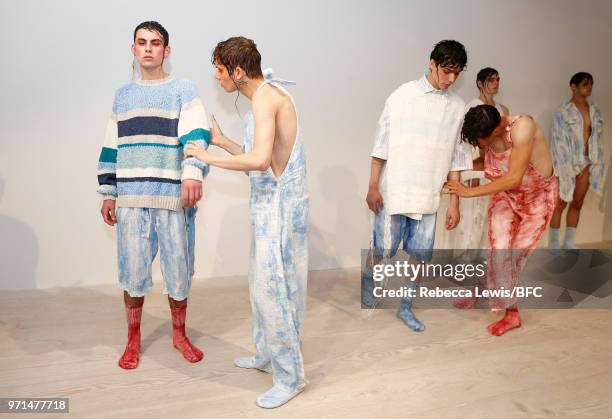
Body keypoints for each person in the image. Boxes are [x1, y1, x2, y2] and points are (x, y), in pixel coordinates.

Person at [184, 37, 308, 409]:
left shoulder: (268, 98)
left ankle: (290, 378)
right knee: (260, 287)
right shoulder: (262, 98)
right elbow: (263, 157)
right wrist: (223, 143)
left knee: (276, 293)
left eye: (220, 71)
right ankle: (267, 355)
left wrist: (206, 154)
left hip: (281, 208)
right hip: (268, 205)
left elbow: (258, 163)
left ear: (238, 71)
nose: (217, 77)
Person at [97, 21, 209, 369]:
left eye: (155, 43)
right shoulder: (123, 95)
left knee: (179, 269)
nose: (148, 48)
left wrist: (192, 172)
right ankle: (133, 339)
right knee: (132, 272)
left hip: (171, 197)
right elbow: (110, 144)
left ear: (166, 50)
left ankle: (179, 335)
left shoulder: (183, 89)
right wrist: (108, 191)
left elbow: (197, 134)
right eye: (142, 42)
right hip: (132, 198)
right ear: (133, 49)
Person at [362, 40, 472, 331]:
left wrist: (455, 202)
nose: (450, 79)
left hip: (429, 194)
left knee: (420, 255)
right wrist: (373, 185)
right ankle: (369, 285)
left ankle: (406, 306)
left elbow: (457, 158)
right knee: (382, 247)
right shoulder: (402, 96)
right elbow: (380, 144)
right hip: (394, 190)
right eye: (446, 71)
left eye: (456, 74)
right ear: (431, 63)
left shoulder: (457, 107)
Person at [444, 105, 558, 336]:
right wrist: (449, 171)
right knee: (499, 253)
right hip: (506, 198)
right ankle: (506, 308)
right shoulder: (488, 130)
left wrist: (467, 192)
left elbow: (514, 178)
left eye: (481, 140)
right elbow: (483, 163)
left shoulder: (522, 127)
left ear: (496, 130)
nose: (478, 144)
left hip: (537, 200)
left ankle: (504, 307)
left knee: (513, 259)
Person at [439, 67, 510, 252]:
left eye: (497, 79)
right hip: (476, 169)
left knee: (491, 221)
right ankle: (464, 263)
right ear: (480, 83)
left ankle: (482, 264)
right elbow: (467, 143)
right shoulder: (471, 106)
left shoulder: (502, 110)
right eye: (491, 79)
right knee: (472, 221)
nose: (495, 83)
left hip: (497, 171)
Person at [549, 72, 604, 249]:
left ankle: (569, 243)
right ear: (573, 87)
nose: (589, 87)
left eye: (591, 84)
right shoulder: (563, 111)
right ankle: (554, 244)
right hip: (567, 164)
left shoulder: (594, 111)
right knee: (560, 203)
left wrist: (593, 164)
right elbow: (557, 142)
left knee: (577, 202)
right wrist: (564, 168)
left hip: (588, 162)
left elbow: (597, 139)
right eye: (585, 84)